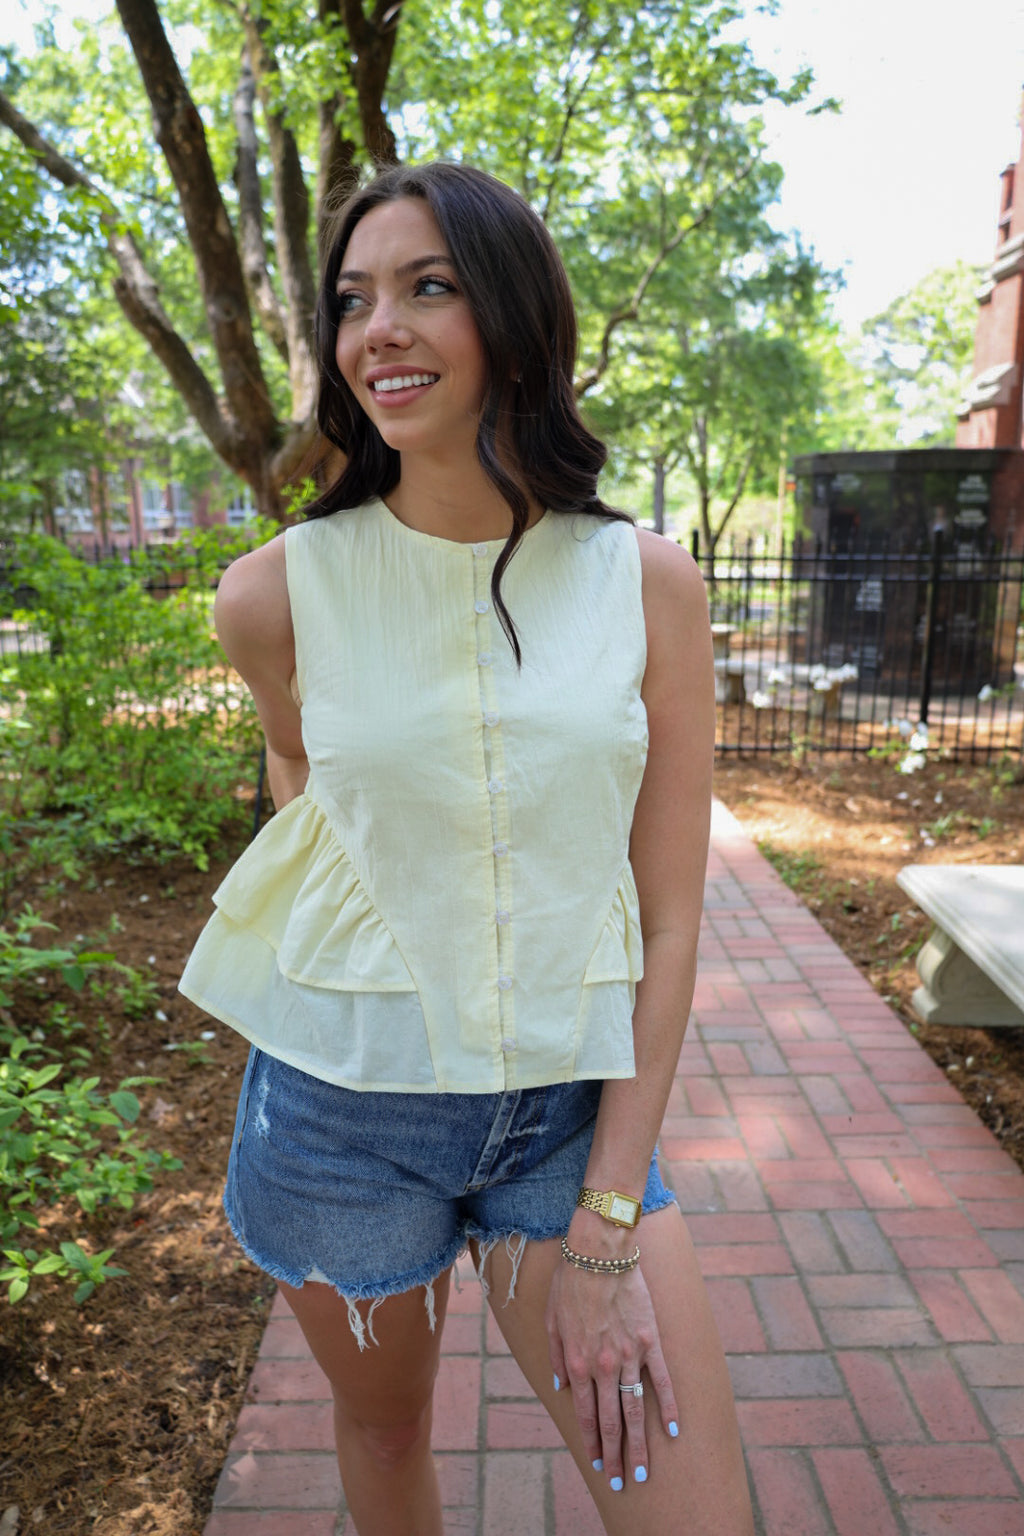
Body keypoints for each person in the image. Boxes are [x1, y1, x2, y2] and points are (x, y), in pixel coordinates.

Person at [180, 160, 752, 1536]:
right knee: (384, 1433)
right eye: (353, 298)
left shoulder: (646, 582)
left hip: (569, 1112)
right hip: (337, 1111)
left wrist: (610, 1223)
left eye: (428, 286)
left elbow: (671, 917)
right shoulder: (273, 595)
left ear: (513, 317)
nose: (379, 326)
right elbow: (306, 777)